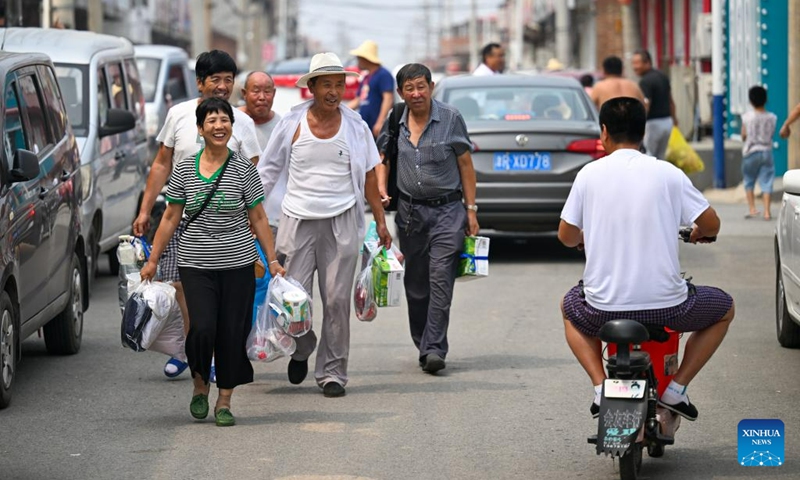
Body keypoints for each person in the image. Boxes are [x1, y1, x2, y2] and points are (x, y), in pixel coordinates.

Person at [558, 97, 735, 422]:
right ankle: (676, 390)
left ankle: (601, 388)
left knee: (569, 308)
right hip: (669, 307)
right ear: (642, 133)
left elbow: (566, 236)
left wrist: (585, 236)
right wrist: (697, 232)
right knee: (725, 308)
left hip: (600, 310)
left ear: (604, 133)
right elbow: (712, 224)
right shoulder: (668, 174)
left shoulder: (588, 174)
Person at [140, 97, 284, 426]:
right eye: (212, 121)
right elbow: (171, 217)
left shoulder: (243, 168)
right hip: (196, 263)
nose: (219, 126)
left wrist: (272, 260)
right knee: (202, 328)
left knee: (232, 332)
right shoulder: (185, 167)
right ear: (200, 129)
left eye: (225, 120)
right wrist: (153, 259)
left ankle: (225, 400)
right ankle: (200, 385)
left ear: (232, 127)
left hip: (238, 264)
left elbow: (258, 217)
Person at [258, 52, 392, 398]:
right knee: (293, 300)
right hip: (297, 221)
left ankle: (333, 373)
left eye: (339, 84)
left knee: (335, 301)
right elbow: (268, 172)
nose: (334, 91)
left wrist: (380, 221)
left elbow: (367, 176)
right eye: (327, 85)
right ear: (312, 87)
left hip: (343, 219)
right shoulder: (292, 123)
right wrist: (250, 215)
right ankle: (303, 346)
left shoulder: (356, 126)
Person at [132, 50, 262, 379]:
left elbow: (252, 169)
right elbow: (162, 162)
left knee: (220, 295)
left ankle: (212, 355)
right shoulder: (178, 115)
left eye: (228, 81)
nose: (222, 86)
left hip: (228, 226)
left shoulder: (242, 122)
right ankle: (195, 349)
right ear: (200, 82)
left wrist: (247, 215)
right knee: (181, 287)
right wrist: (146, 208)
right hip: (184, 219)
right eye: (215, 80)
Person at [376, 63, 480, 374]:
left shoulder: (450, 117)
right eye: (410, 88)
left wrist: (471, 210)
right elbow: (382, 159)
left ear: (431, 87)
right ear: (401, 92)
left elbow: (465, 164)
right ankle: (423, 341)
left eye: (421, 86)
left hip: (448, 210)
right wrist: (382, 191)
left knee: (440, 279)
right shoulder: (395, 119)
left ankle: (435, 348)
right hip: (410, 214)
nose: (416, 93)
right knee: (416, 284)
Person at [239, 71, 283, 235]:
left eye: (267, 91)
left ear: (274, 93)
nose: (262, 97)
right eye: (256, 90)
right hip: (236, 220)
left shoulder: (284, 128)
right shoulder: (229, 123)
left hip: (274, 220)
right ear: (244, 93)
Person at [632, 50, 678, 159]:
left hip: (653, 124)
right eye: (633, 63)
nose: (634, 67)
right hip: (667, 122)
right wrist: (674, 120)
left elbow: (646, 105)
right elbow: (670, 100)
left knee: (648, 156)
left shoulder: (645, 81)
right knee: (661, 157)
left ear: (647, 62)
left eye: (637, 63)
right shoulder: (662, 76)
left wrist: (640, 126)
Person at [741, 86, 777, 220]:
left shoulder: (747, 117)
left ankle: (752, 208)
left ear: (750, 100)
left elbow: (744, 135)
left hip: (750, 151)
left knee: (749, 180)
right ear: (765, 100)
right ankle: (767, 211)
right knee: (767, 181)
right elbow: (772, 134)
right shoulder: (772, 117)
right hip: (766, 151)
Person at [347, 40, 395, 138]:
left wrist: (380, 122)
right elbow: (358, 100)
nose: (358, 62)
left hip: (376, 128)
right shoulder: (366, 77)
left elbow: (388, 98)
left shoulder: (383, 75)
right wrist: (339, 110)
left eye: (359, 58)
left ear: (366, 59)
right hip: (365, 126)